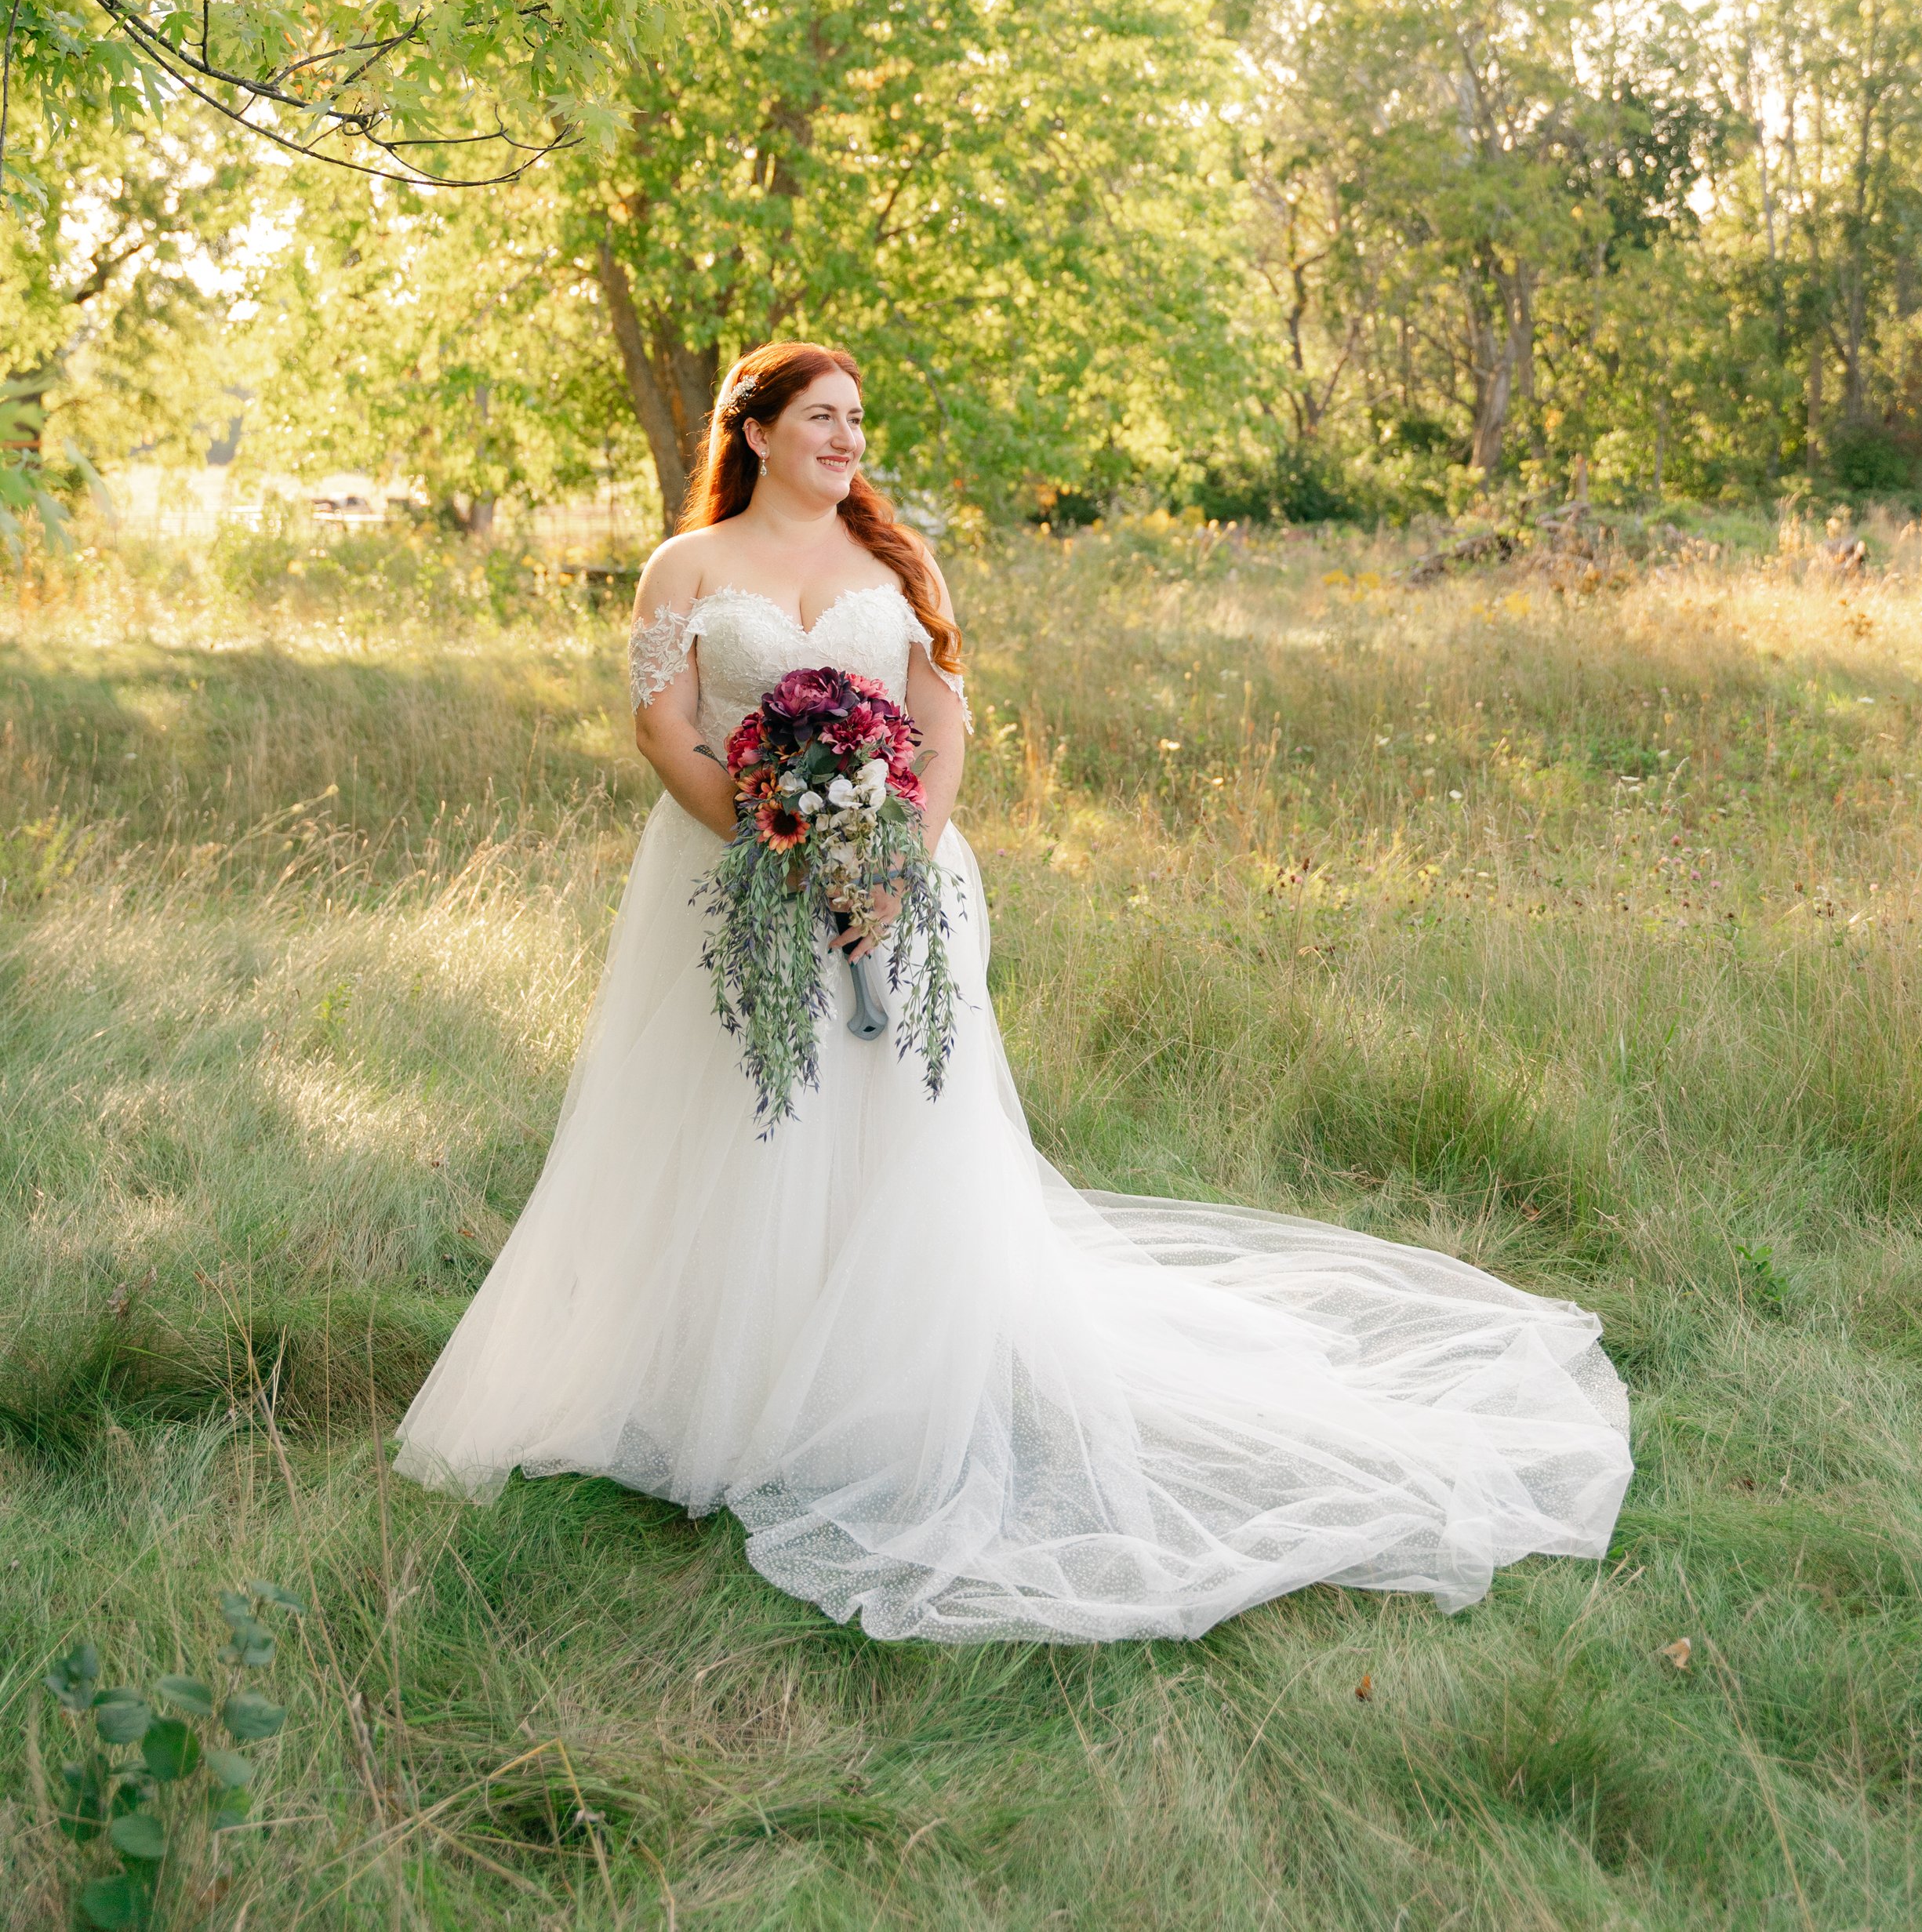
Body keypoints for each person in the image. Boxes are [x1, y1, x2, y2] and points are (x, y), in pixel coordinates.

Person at [395, 342, 1631, 1642]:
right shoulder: (688, 569)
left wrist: (886, 871)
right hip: (732, 883)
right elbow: (668, 728)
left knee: (893, 1135)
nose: (846, 438)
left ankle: (883, 1389)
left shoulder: (900, 562)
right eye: (821, 417)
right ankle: (726, 1384)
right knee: (738, 1128)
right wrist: (777, 846)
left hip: (900, 882)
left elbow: (943, 729)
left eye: (857, 419)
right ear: (753, 431)